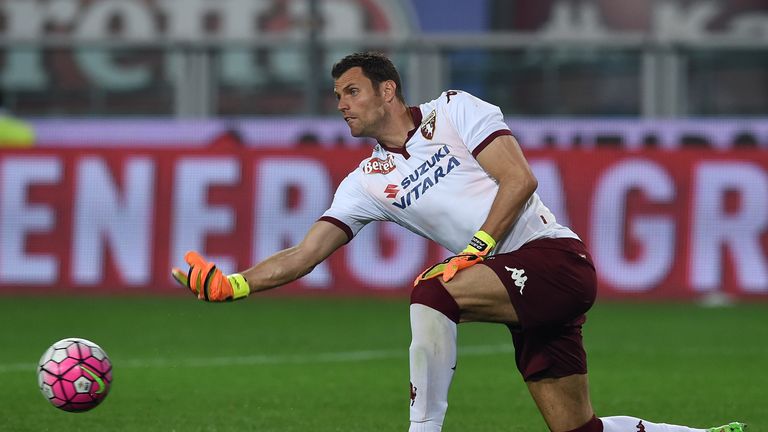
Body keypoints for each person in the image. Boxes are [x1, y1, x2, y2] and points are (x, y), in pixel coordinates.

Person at [171, 52, 746, 432]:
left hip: (554, 259)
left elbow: (520, 179)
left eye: (350, 91)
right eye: (337, 96)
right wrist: (235, 283)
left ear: (387, 89)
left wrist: (473, 249)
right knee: (580, 429)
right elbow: (304, 253)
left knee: (433, 290)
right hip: (517, 291)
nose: (341, 104)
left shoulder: (454, 111)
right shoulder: (364, 183)